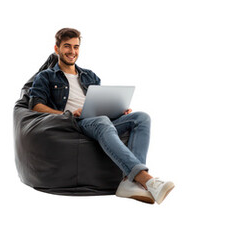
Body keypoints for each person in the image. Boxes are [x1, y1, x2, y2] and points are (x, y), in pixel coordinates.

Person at [28, 28, 174, 204]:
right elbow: (35, 105)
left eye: (76, 47)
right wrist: (66, 114)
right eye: (67, 46)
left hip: (99, 120)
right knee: (102, 121)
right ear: (56, 48)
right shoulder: (46, 77)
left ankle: (129, 182)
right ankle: (146, 180)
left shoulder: (90, 75)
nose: (72, 52)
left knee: (141, 117)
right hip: (74, 123)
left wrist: (118, 110)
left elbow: (100, 103)